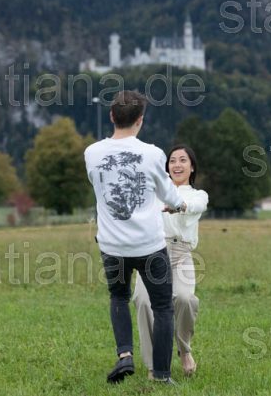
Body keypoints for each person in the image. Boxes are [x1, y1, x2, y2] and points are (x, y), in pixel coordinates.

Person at [84, 90, 187, 385]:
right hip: (149, 245)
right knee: (162, 307)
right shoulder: (153, 154)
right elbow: (168, 194)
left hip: (112, 245)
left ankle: (125, 355)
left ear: (111, 116)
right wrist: (179, 204)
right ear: (140, 120)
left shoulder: (91, 152)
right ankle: (162, 376)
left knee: (118, 297)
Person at [133, 145, 208, 378]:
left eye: (183, 160)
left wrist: (180, 206)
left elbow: (196, 206)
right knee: (143, 301)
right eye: (172, 160)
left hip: (181, 253)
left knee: (185, 299)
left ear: (192, 167)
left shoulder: (198, 195)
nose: (177, 164)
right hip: (152, 252)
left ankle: (184, 350)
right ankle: (153, 365)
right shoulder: (154, 192)